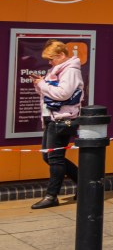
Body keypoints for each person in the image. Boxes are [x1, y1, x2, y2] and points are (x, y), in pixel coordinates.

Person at [30, 40, 84, 210]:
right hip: (53, 118)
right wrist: (40, 85)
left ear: (61, 56)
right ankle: (85, 184)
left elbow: (62, 93)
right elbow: (50, 93)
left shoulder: (70, 70)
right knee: (49, 156)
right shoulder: (59, 69)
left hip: (62, 119)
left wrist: (42, 84)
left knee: (54, 158)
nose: (49, 62)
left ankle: (51, 196)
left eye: (51, 58)